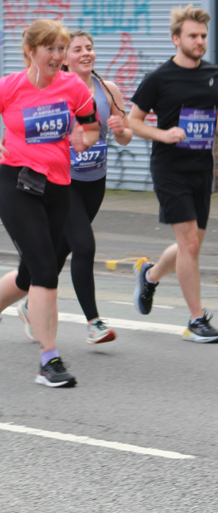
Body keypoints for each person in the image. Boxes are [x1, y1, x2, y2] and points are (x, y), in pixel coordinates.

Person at [17, 31, 133, 346]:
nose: (85, 53)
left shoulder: (108, 90)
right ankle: (94, 323)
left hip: (95, 183)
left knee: (59, 250)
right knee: (84, 246)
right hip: (63, 182)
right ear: (64, 58)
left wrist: (121, 130)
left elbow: (125, 136)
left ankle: (30, 302)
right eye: (77, 49)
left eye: (89, 48)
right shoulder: (56, 90)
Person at [0, 20, 99, 387]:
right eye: (51, 49)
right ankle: (49, 361)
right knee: (45, 270)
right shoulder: (10, 87)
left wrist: (84, 139)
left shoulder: (73, 87)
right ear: (31, 51)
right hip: (16, 183)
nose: (58, 57)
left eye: (61, 49)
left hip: (57, 188)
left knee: (29, 275)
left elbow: (91, 127)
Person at [129, 5, 218, 343]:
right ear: (176, 39)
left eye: (203, 36)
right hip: (170, 168)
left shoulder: (215, 73)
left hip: (202, 168)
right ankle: (196, 320)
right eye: (192, 36)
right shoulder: (159, 78)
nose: (199, 41)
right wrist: (163, 134)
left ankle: (150, 275)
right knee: (189, 243)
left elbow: (217, 111)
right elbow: (134, 121)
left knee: (192, 245)